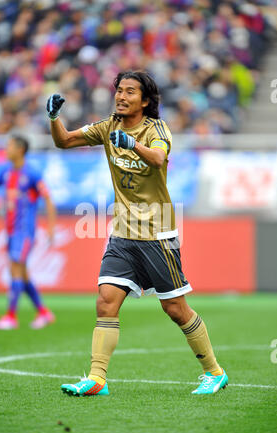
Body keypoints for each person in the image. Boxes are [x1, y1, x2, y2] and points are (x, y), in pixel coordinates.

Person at [47, 70, 228, 395]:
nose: (121, 96)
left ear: (145, 100)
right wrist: (54, 116)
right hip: (123, 234)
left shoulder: (156, 129)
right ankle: (97, 379)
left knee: (175, 309)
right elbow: (64, 141)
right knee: (106, 301)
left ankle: (214, 372)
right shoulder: (107, 126)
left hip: (157, 233)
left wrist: (133, 144)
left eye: (130, 91)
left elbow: (158, 158)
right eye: (119, 90)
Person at [0, 135, 56, 330]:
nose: (6, 149)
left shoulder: (31, 173)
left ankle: (11, 316)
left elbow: (48, 199)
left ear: (20, 149)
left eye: (9, 146)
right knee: (22, 273)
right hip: (11, 231)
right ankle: (43, 312)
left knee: (16, 268)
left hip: (25, 232)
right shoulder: (5, 171)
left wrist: (50, 228)